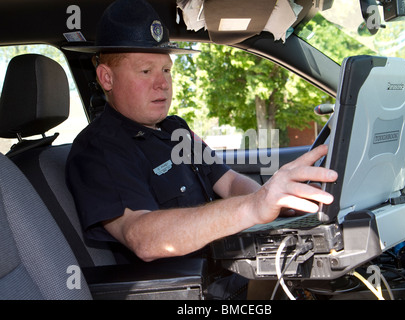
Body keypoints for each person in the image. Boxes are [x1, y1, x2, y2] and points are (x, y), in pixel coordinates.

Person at [65, 0, 337, 267]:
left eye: (166, 70)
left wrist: (274, 202)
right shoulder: (99, 149)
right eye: (146, 71)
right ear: (106, 78)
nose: (162, 84)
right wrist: (253, 206)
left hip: (233, 266)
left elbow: (228, 182)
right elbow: (142, 237)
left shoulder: (176, 128)